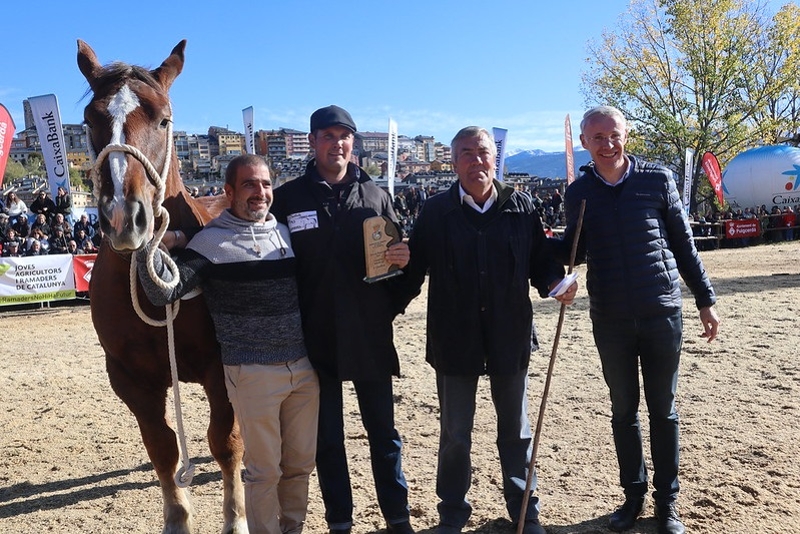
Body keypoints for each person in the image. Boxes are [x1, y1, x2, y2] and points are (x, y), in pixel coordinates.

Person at [397, 126, 575, 534]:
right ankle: (452, 513)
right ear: (453, 161)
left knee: (515, 431)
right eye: (466, 154)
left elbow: (540, 264)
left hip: (509, 336)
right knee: (455, 434)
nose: (476, 161)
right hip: (454, 339)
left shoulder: (523, 206)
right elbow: (412, 273)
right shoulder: (435, 212)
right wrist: (382, 309)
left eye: (482, 153)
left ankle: (525, 512)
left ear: (495, 159)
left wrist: (555, 284)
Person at [553, 106, 720, 534]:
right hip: (609, 318)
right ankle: (632, 496)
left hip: (661, 310)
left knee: (663, 410)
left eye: (614, 135)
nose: (607, 145)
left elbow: (683, 244)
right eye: (597, 138)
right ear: (585, 143)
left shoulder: (657, 180)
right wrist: (559, 276)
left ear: (626, 135)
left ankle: (668, 504)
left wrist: (705, 299)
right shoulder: (579, 193)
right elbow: (574, 250)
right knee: (623, 410)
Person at [135, 154, 319, 534]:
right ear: (229, 191)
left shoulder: (286, 234)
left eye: (266, 184)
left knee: (300, 465)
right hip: (252, 372)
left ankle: (293, 529)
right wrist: (145, 244)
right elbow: (160, 291)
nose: (260, 192)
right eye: (250, 184)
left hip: (303, 369)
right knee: (264, 470)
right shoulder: (211, 244)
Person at [270, 105, 414, 534]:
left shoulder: (375, 196)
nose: (337, 143)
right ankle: (340, 521)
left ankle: (398, 518)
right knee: (328, 440)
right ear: (313, 142)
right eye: (328, 136)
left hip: (368, 334)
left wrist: (401, 273)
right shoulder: (289, 198)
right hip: (315, 338)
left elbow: (398, 266)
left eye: (344, 136)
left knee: (384, 436)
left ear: (354, 143)